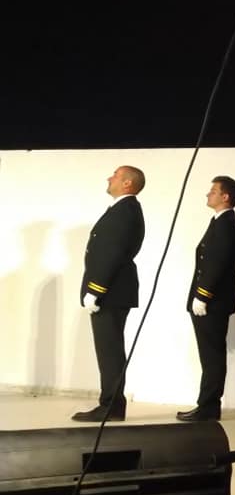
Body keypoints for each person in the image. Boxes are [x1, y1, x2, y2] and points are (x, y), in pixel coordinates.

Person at [72, 166, 146, 423]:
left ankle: (111, 406)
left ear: (127, 183)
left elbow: (112, 253)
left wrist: (96, 289)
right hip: (113, 290)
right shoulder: (122, 209)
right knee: (109, 349)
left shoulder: (125, 211)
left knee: (110, 351)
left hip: (111, 292)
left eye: (115, 175)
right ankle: (111, 404)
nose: (109, 178)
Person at [177, 176, 235, 422]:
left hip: (213, 300)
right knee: (209, 354)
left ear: (225, 197)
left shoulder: (226, 223)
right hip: (212, 299)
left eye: (213, 191)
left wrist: (203, 295)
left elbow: (218, 262)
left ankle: (208, 406)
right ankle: (206, 404)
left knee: (212, 355)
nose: (208, 194)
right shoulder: (220, 221)